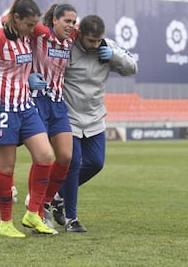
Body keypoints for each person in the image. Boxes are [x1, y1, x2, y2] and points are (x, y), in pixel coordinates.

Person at [0, 0, 55, 238]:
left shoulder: (28, 30)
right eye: (28, 24)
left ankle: (32, 213)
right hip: (2, 108)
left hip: (26, 106)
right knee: (6, 167)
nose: (32, 29)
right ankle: (5, 222)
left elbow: (47, 32)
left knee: (45, 156)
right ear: (15, 18)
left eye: (33, 25)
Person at [52, 15, 138, 232]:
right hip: (69, 116)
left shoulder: (108, 46)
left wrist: (114, 56)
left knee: (96, 163)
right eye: (91, 41)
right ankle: (72, 219)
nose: (95, 45)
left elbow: (132, 67)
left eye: (98, 41)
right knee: (73, 162)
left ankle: (55, 195)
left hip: (94, 117)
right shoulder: (67, 47)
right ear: (80, 34)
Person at [26, 3, 77, 231]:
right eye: (67, 21)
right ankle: (35, 210)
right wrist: (28, 77)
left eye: (73, 22)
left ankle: (43, 201)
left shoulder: (71, 39)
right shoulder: (40, 34)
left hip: (57, 102)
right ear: (54, 20)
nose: (71, 25)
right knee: (42, 157)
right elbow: (11, 20)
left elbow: (93, 33)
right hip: (37, 100)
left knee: (65, 157)